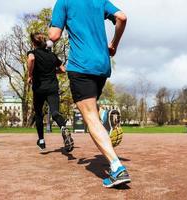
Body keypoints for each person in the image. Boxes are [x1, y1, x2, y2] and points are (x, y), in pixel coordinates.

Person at [49, 0, 130, 188]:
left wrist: (51, 28)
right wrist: (114, 44)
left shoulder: (64, 2)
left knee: (90, 119)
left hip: (81, 65)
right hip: (102, 65)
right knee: (92, 109)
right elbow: (122, 17)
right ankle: (103, 114)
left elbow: (54, 35)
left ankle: (117, 168)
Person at [27, 32, 74, 152]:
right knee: (55, 112)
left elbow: (31, 59)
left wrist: (30, 75)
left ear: (33, 43)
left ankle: (41, 141)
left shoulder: (33, 53)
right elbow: (63, 69)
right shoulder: (52, 55)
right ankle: (63, 127)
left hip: (39, 89)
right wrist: (53, 72)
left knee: (38, 114)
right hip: (52, 88)